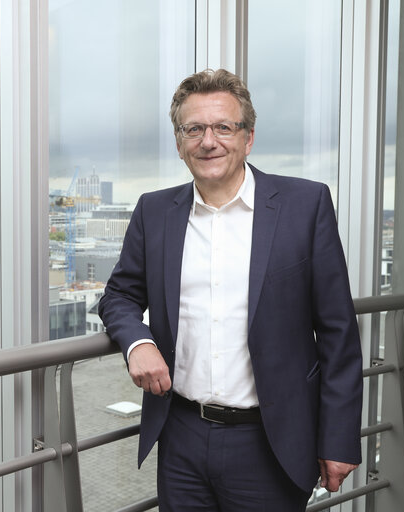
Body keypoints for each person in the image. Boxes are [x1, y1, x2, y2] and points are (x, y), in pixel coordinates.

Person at [98, 68, 363, 511]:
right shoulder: (154, 211)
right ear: (180, 142)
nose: (208, 140)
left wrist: (338, 438)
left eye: (223, 127)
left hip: (270, 441)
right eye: (194, 129)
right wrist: (137, 343)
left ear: (248, 137)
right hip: (180, 436)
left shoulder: (305, 206)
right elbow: (119, 295)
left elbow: (338, 332)